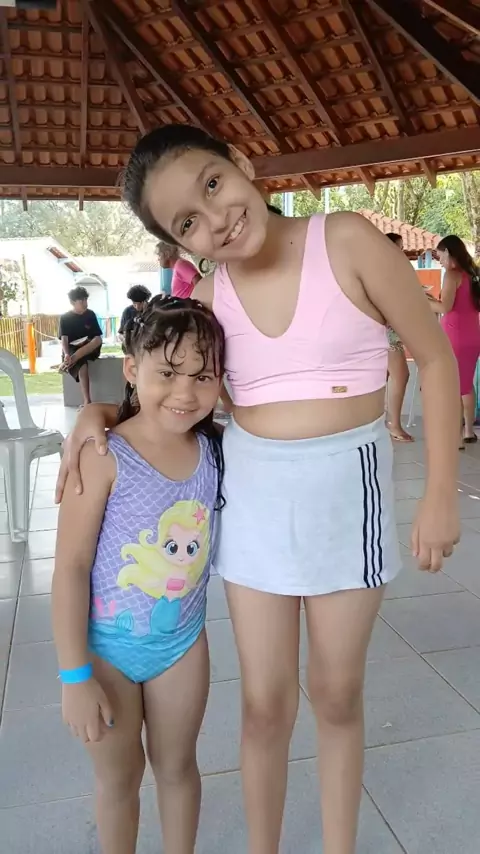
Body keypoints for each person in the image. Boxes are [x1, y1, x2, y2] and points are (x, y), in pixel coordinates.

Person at [56, 125, 460, 854]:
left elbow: (434, 358)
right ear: (181, 247)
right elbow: (177, 394)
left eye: (213, 184)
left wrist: (439, 493)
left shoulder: (346, 240)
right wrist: (100, 412)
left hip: (349, 498)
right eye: (188, 222)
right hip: (256, 509)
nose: (215, 217)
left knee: (335, 693)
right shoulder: (212, 298)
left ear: (241, 162)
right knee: (265, 704)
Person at [52, 295, 225, 854]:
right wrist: (74, 676)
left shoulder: (215, 451)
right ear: (132, 369)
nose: (185, 392)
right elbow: (71, 567)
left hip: (181, 645)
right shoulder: (103, 453)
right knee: (118, 778)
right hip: (105, 651)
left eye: (203, 376)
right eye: (167, 373)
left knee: (177, 768)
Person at [429, 235, 480, 449]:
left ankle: (456, 436)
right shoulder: (472, 274)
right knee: (466, 384)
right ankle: (468, 430)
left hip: (455, 337)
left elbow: (445, 307)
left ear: (449, 253)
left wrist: (422, 300)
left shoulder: (452, 275)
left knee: (455, 386)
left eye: (440, 256)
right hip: (473, 336)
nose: (440, 261)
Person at [384, 232, 414, 442]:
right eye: (398, 247)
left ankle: (383, 422)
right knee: (400, 375)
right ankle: (394, 424)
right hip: (386, 330)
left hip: (386, 328)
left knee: (383, 377)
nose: (401, 252)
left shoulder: (385, 268)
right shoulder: (384, 269)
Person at [59, 286, 103, 406]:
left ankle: (70, 361)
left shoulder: (90, 314)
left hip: (89, 347)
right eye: (81, 301)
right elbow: (64, 339)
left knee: (98, 340)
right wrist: (66, 354)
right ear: (73, 302)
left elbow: (97, 336)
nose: (85, 303)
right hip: (72, 348)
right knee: (82, 365)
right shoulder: (65, 318)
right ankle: (87, 400)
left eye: (86, 300)